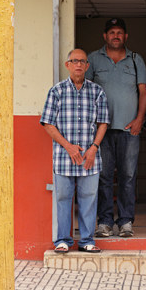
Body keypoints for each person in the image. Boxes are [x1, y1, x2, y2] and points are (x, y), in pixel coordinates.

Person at [40, 49, 110, 254]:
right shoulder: (57, 91)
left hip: (90, 158)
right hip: (64, 157)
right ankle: (62, 240)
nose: (78, 64)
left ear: (87, 66)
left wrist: (93, 148)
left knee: (89, 199)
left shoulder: (97, 91)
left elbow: (103, 122)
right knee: (63, 199)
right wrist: (68, 146)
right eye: (74, 61)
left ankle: (87, 240)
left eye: (82, 61)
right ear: (67, 65)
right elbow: (47, 123)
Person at [85, 17, 146, 239]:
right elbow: (86, 92)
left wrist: (140, 118)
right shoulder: (93, 59)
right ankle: (104, 222)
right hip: (100, 130)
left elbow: (144, 92)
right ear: (105, 36)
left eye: (119, 32)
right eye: (111, 32)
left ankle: (125, 222)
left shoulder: (135, 60)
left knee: (128, 176)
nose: (115, 36)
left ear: (126, 36)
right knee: (102, 176)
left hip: (129, 129)